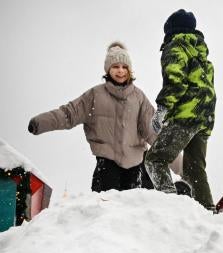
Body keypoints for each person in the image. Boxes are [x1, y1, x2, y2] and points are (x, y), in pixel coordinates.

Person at [28, 42, 158, 192]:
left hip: (135, 167)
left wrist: (181, 165)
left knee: (132, 210)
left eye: (124, 67)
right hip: (107, 163)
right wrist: (40, 123)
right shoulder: (95, 95)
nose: (120, 71)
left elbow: (154, 132)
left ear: (130, 70)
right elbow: (69, 114)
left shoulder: (139, 97)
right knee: (106, 206)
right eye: (115, 66)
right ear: (108, 70)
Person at [145, 9, 216, 211]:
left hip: (186, 116)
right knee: (194, 169)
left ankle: (171, 206)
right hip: (204, 118)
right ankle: (207, 211)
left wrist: (162, 110)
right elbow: (208, 91)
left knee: (155, 159)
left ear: (169, 31)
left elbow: (176, 83)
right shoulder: (202, 56)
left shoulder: (175, 47)